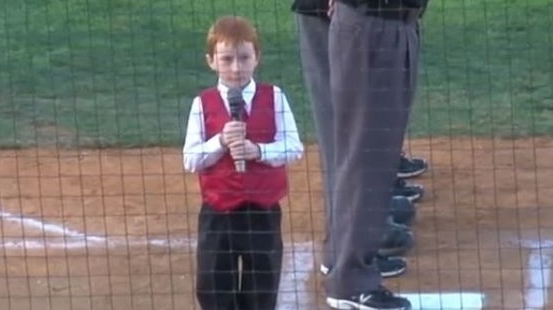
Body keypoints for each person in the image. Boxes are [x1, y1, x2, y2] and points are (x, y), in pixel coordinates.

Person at [291, 0, 429, 309]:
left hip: (355, 16)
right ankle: (351, 278)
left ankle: (344, 254)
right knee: (365, 153)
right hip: (370, 18)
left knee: (349, 148)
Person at [182, 15, 304, 310]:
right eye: (226, 59)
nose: (236, 68)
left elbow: (294, 148)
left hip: (262, 211)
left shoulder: (274, 97)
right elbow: (191, 159)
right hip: (218, 211)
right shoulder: (202, 104)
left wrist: (258, 151)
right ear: (211, 61)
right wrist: (220, 142)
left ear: (257, 58)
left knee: (262, 287)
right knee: (213, 286)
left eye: (244, 58)